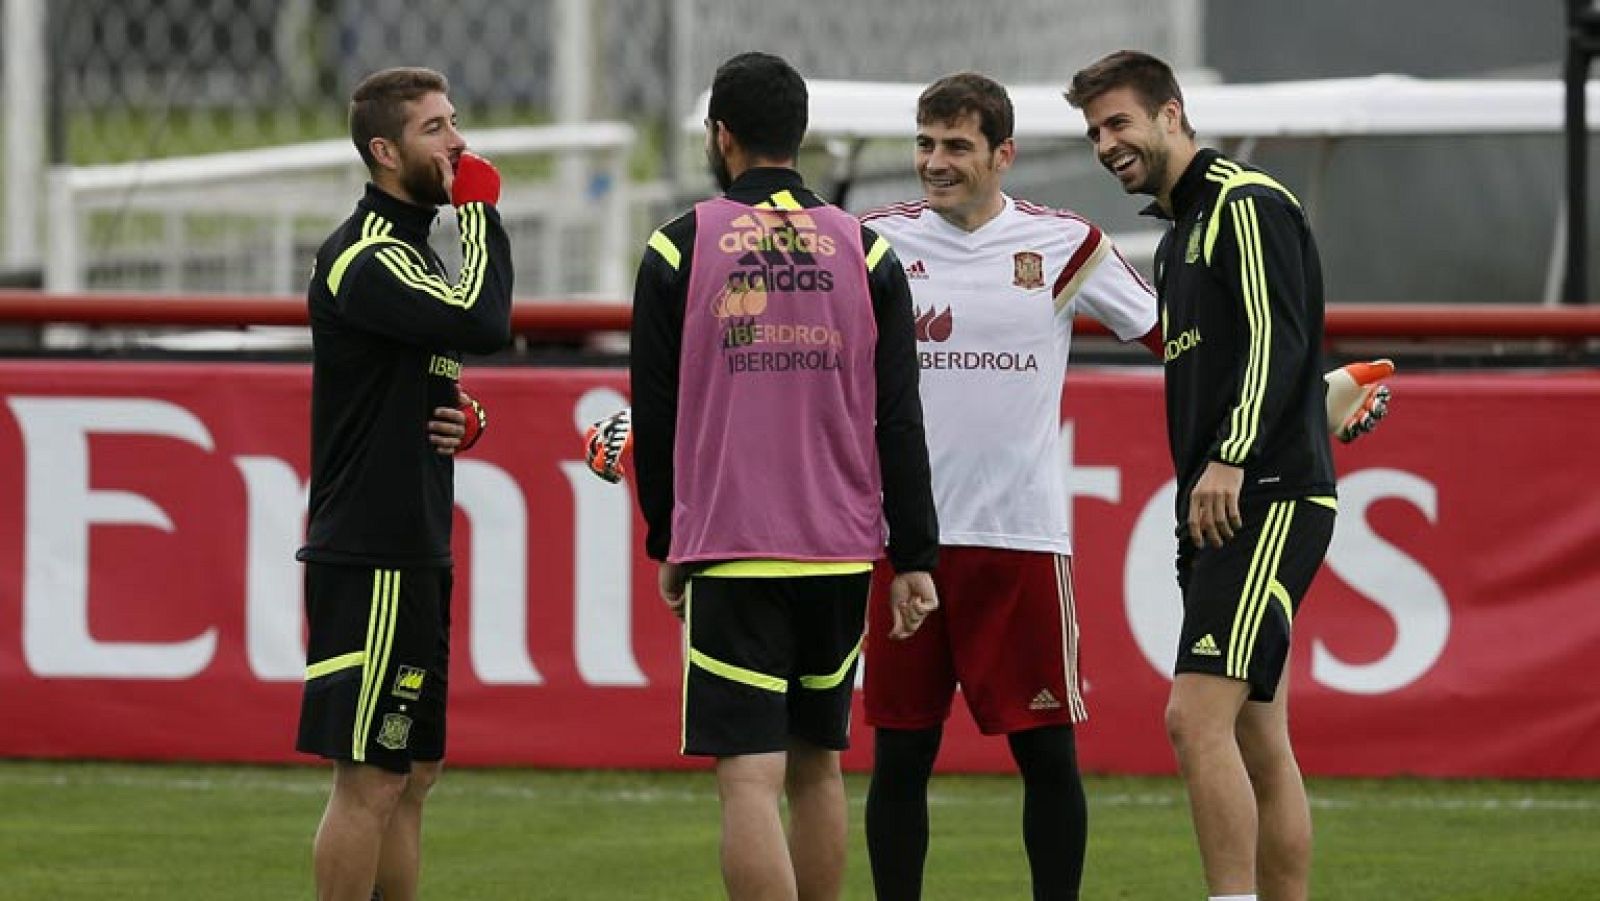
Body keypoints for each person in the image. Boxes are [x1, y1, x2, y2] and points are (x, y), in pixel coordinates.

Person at [628, 51, 940, 901]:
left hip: (733, 542)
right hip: (839, 550)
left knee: (748, 780)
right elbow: (900, 415)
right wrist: (913, 552)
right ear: (797, 138)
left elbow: (653, 416)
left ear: (720, 136)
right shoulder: (865, 250)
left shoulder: (678, 244)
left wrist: (667, 536)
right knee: (818, 768)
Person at [1068, 50, 1339, 901]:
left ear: (1173, 114)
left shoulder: (1245, 203)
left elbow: (1274, 340)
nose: (1107, 143)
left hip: (1263, 497)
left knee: (1193, 718)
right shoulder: (1180, 236)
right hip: (1226, 509)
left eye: (1119, 122)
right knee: (1261, 741)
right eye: (1093, 131)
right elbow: (1275, 355)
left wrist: (1234, 456)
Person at [295, 66, 512, 901]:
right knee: (372, 779)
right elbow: (481, 319)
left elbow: (425, 363)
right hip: (373, 553)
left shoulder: (409, 254)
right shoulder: (367, 255)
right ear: (385, 151)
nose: (458, 142)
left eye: (454, 122)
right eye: (435, 129)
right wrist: (483, 212)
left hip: (414, 547)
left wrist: (465, 414)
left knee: (415, 772)